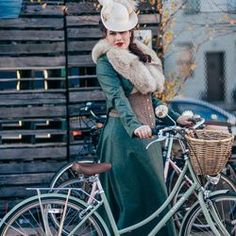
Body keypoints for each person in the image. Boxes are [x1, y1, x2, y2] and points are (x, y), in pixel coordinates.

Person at [92, 0, 192, 235]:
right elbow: (118, 99)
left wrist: (175, 119)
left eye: (123, 31)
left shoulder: (138, 57)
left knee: (157, 199)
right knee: (133, 202)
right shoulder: (106, 64)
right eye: (113, 32)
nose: (119, 37)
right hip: (124, 137)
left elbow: (151, 101)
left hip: (148, 140)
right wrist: (135, 126)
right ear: (105, 33)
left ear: (131, 32)